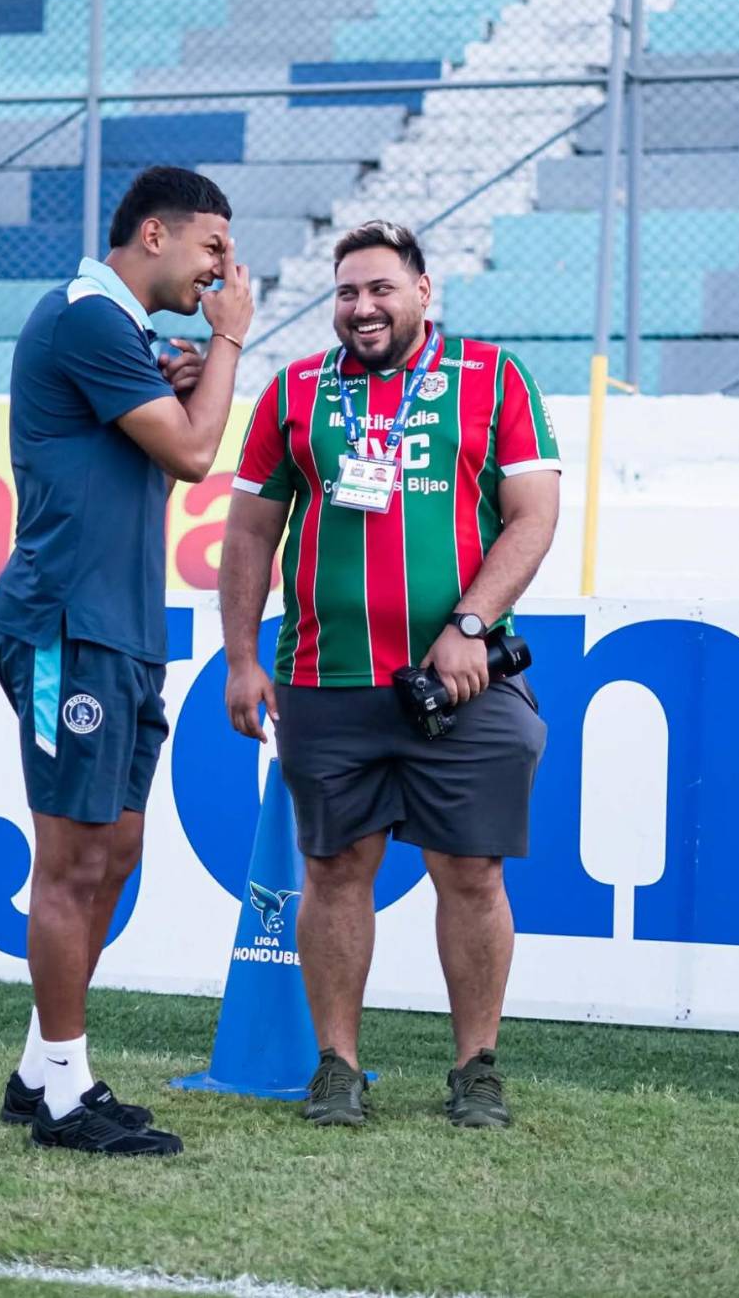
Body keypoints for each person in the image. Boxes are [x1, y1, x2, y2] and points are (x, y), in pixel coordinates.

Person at [220, 220, 559, 1130]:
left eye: (380, 288)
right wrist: (244, 657)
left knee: (473, 871)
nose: (362, 307)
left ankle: (476, 1068)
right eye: (346, 292)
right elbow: (250, 533)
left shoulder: (496, 378)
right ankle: (337, 1067)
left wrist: (468, 627)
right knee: (334, 869)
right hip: (325, 678)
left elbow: (532, 518)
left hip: (465, 679)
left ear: (423, 292)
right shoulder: (293, 390)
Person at [0, 164, 252, 1156]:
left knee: (114, 855)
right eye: (213, 248)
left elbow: (162, 450)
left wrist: (183, 370)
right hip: (66, 626)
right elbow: (193, 454)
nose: (225, 269)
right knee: (71, 862)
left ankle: (38, 1071)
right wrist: (227, 343)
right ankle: (65, 1099)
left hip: (121, 631)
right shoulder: (86, 317)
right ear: (153, 236)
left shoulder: (125, 337)